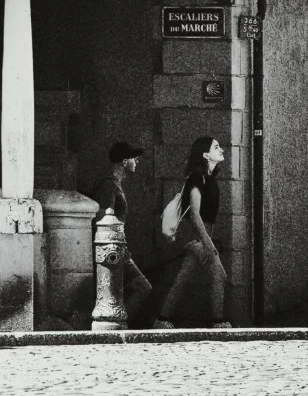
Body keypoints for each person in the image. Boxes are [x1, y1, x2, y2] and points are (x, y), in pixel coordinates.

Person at [154, 135, 231, 329]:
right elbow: (195, 215)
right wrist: (208, 243)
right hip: (193, 236)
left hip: (200, 237)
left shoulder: (210, 179)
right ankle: (218, 321)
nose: (221, 150)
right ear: (206, 155)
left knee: (183, 277)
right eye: (216, 147)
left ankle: (162, 319)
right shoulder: (198, 178)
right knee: (219, 274)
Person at [86, 140, 153, 315]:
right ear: (124, 161)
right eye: (134, 158)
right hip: (112, 249)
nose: (136, 161)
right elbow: (104, 217)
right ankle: (119, 322)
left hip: (117, 248)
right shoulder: (109, 184)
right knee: (143, 287)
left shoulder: (113, 183)